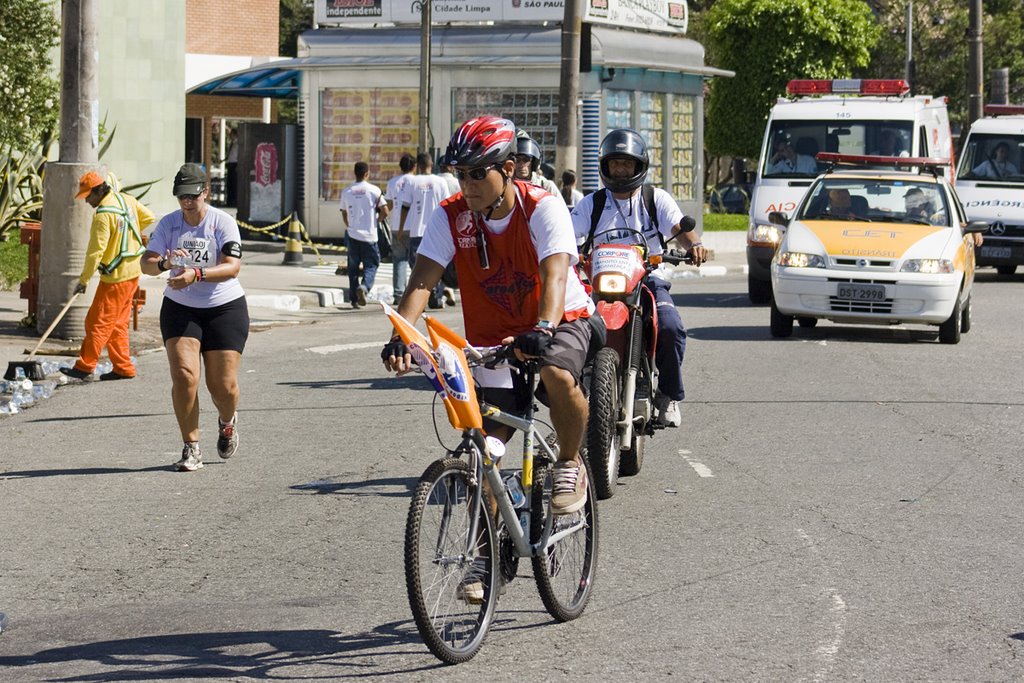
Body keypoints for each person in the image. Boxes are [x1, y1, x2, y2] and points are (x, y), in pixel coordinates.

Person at [382, 116, 598, 518]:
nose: (468, 185)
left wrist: (544, 328)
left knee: (555, 373)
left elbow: (554, 276)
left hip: (561, 318)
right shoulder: (451, 216)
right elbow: (422, 283)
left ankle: (569, 463)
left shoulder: (543, 208)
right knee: (485, 455)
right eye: (460, 174)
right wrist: (401, 336)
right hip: (496, 339)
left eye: (479, 173)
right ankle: (484, 563)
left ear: (509, 169)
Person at [570, 128, 707, 428]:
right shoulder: (591, 205)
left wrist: (694, 245)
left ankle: (668, 396)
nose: (620, 169)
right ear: (605, 166)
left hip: (648, 278)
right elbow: (568, 233)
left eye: (627, 163)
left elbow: (679, 230)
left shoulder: (654, 199)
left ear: (639, 166)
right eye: (615, 163)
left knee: (670, 325)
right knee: (569, 328)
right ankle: (572, 394)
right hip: (601, 282)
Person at [141, 163, 248, 472]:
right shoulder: (169, 224)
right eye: (181, 197)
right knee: (186, 377)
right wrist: (164, 263)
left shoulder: (222, 222)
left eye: (192, 196)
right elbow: (146, 262)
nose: (187, 203)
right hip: (180, 307)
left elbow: (232, 267)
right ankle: (191, 447)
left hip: (224, 307)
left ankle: (227, 422)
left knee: (222, 386)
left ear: (206, 192)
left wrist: (196, 274)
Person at [60, 171, 156, 382]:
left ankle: (85, 366)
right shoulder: (127, 200)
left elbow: (95, 252)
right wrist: (129, 234)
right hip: (132, 272)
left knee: (97, 322)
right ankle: (123, 367)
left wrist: (84, 280)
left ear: (97, 191)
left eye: (88, 195)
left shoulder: (103, 215)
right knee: (118, 323)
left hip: (116, 278)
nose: (86, 200)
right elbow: (149, 217)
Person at [397, 152, 454, 309]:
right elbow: (448, 206)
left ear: (419, 166)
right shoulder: (440, 182)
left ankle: (422, 298)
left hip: (417, 231)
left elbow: (405, 207)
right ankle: (434, 295)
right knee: (438, 265)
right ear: (431, 164)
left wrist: (401, 228)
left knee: (418, 268)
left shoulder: (412, 182)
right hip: (437, 231)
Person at [340, 161, 388, 308]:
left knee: (353, 268)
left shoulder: (347, 191)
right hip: (370, 236)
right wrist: (376, 221)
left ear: (355, 173)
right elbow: (385, 210)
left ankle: (354, 299)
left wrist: (349, 226)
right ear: (367, 174)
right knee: (371, 266)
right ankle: (365, 287)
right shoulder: (374, 190)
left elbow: (344, 212)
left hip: (353, 235)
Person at [385, 153, 416, 303]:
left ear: (400, 167)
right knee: (416, 262)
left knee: (399, 260)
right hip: (414, 227)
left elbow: (389, 205)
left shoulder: (392, 183)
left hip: (396, 227)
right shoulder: (415, 182)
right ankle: (414, 294)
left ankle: (398, 294)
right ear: (414, 167)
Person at [514, 129, 565, 203]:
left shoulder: (546, 186)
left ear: (534, 162)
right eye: (517, 160)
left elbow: (562, 212)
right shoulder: (505, 186)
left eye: (526, 159)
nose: (521, 165)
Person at [224, 128, 238, 206]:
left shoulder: (238, 143)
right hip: (230, 164)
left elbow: (239, 155)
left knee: (234, 184)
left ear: (235, 134)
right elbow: (230, 154)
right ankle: (229, 201)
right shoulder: (232, 143)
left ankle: (234, 201)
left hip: (235, 164)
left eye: (231, 134)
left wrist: (238, 165)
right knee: (229, 183)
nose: (230, 136)